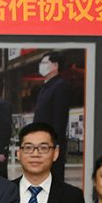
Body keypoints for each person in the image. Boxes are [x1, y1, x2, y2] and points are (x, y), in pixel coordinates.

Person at [33, 52, 71, 182]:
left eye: (45, 63)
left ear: (55, 66)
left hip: (51, 144)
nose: (41, 66)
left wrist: (53, 144)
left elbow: (59, 119)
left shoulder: (60, 86)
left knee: (54, 180)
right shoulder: (46, 87)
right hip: (41, 142)